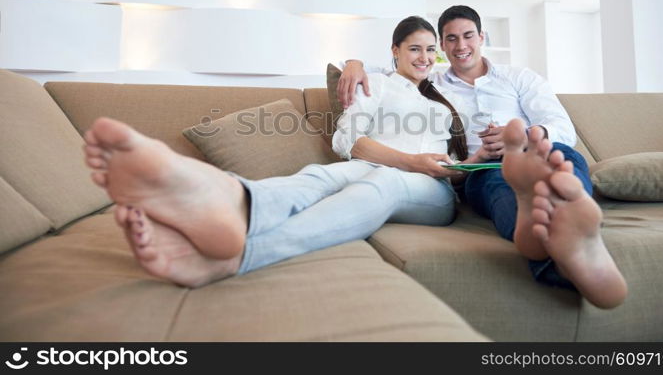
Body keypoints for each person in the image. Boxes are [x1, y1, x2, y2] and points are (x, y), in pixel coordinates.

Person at [83, 16, 479, 287]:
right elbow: (348, 143)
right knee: (322, 175)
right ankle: (230, 199)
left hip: (432, 192)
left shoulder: (442, 99)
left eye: (431, 50)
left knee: (383, 184)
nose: (425, 57)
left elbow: (456, 164)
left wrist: (464, 166)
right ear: (394, 51)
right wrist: (409, 158)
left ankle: (244, 253)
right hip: (380, 167)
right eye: (414, 49)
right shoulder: (375, 83)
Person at [336, 5, 627, 308]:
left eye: (467, 36)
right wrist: (355, 63)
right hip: (483, 167)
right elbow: (395, 67)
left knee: (564, 158)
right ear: (442, 47)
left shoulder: (519, 78)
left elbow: (563, 128)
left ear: (481, 36)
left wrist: (521, 137)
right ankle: (564, 243)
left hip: (538, 152)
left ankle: (568, 225)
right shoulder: (431, 85)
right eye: (450, 39)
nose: (460, 46)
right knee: (498, 187)